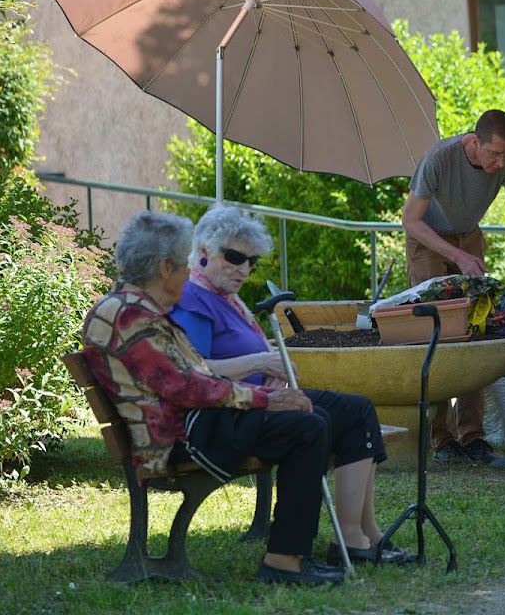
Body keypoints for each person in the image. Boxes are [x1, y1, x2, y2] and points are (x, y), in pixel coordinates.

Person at [81, 211, 343, 586]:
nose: (191, 273)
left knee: (311, 419)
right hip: (179, 439)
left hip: (193, 425)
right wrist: (266, 399)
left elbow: (193, 378)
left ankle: (289, 555)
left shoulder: (137, 309)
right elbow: (188, 387)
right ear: (165, 266)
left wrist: (262, 394)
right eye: (185, 262)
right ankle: (285, 560)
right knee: (306, 427)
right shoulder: (130, 316)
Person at [170, 205, 414, 566]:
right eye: (235, 257)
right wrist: (259, 362)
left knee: (358, 410)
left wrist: (273, 367)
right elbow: (197, 371)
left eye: (251, 261)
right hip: (226, 414)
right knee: (316, 421)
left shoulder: (225, 298)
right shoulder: (194, 300)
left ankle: (359, 535)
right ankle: (311, 549)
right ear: (203, 250)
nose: (244, 269)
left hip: (260, 400)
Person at [401, 110, 505, 465]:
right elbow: (410, 220)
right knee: (434, 336)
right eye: (494, 154)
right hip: (428, 240)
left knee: (473, 332)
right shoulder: (438, 158)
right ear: (473, 142)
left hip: (469, 236)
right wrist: (459, 257)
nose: (500, 162)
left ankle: (472, 435)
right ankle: (443, 437)